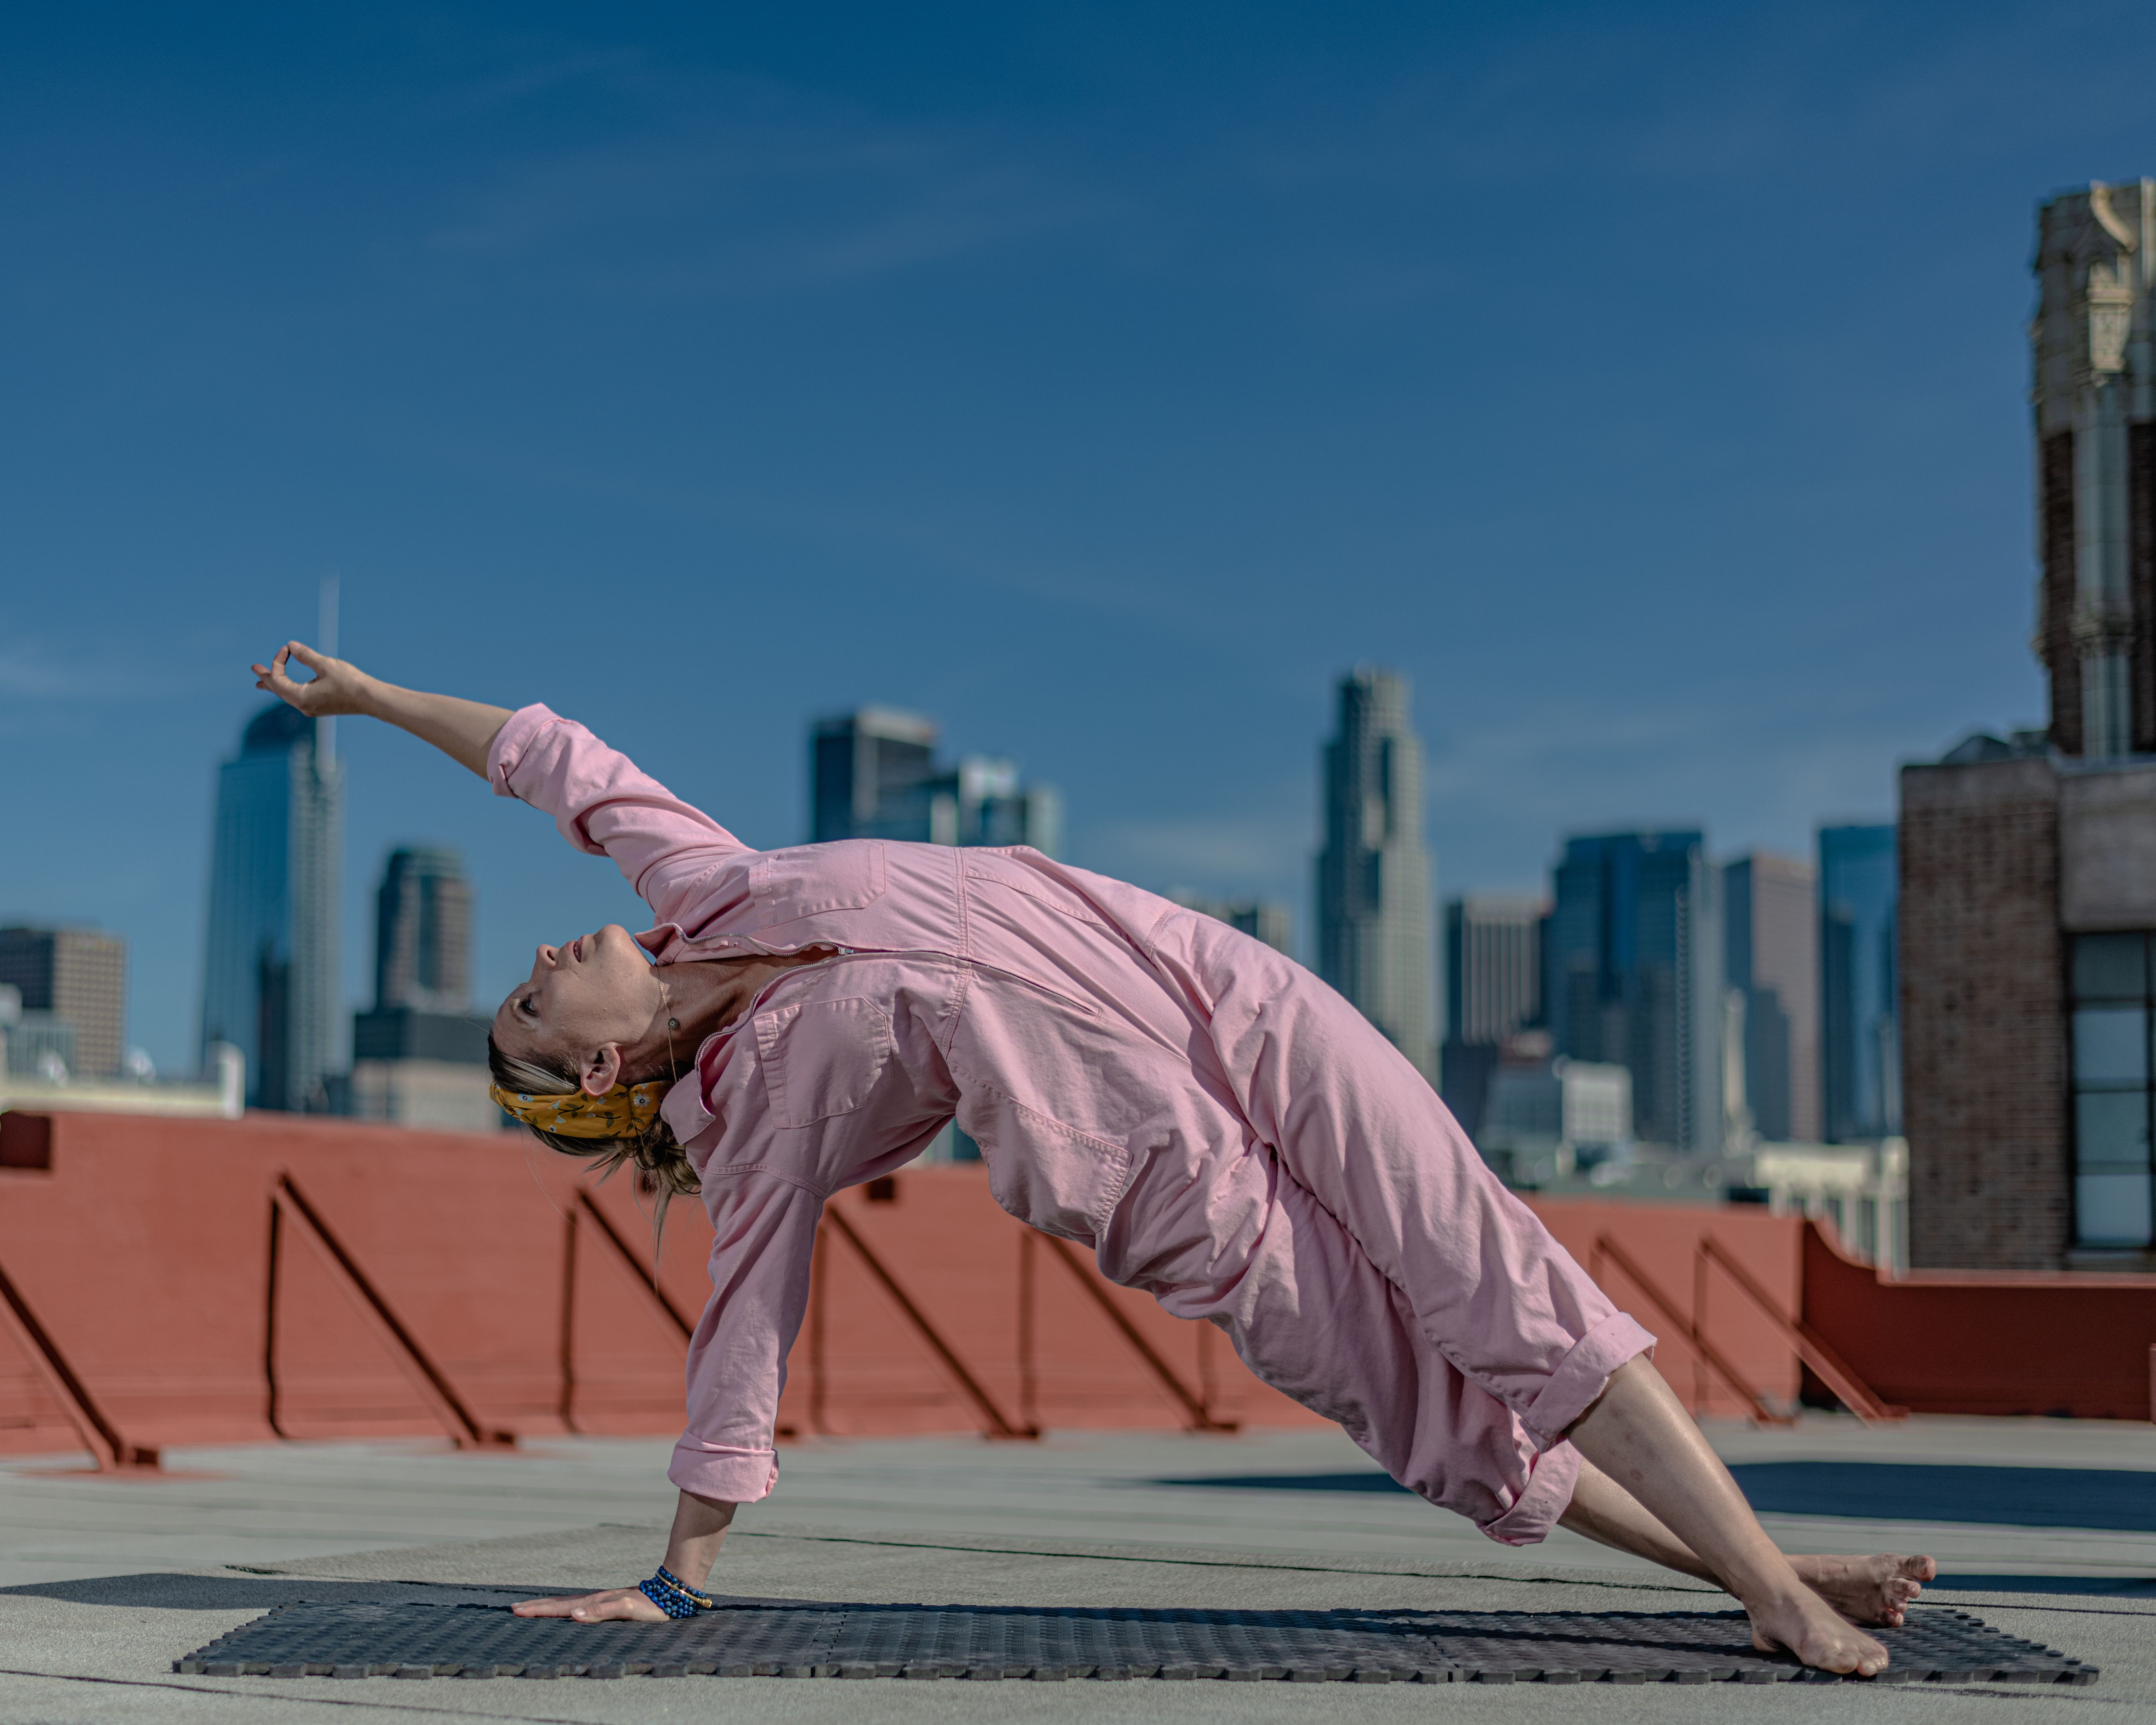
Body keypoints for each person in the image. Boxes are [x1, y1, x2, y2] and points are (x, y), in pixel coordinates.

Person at [253, 642, 1932, 1674]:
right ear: (603, 1068)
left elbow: (555, 763)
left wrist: (372, 699)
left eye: (528, 977)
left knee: (1509, 1287)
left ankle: (1773, 1583)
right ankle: (1762, 1574)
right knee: (1438, 1421)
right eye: (532, 1007)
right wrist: (678, 1584)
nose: (541, 962)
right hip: (1171, 1185)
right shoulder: (757, 1132)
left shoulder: (708, 881)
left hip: (1237, 1001)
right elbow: (743, 1338)